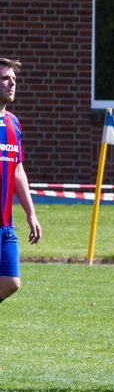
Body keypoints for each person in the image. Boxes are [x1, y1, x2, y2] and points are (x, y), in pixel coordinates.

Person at [0, 57, 42, 302]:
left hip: (6, 224)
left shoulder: (13, 123)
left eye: (14, 79)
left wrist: (31, 213)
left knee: (11, 282)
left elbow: (17, 170)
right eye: (5, 78)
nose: (11, 84)